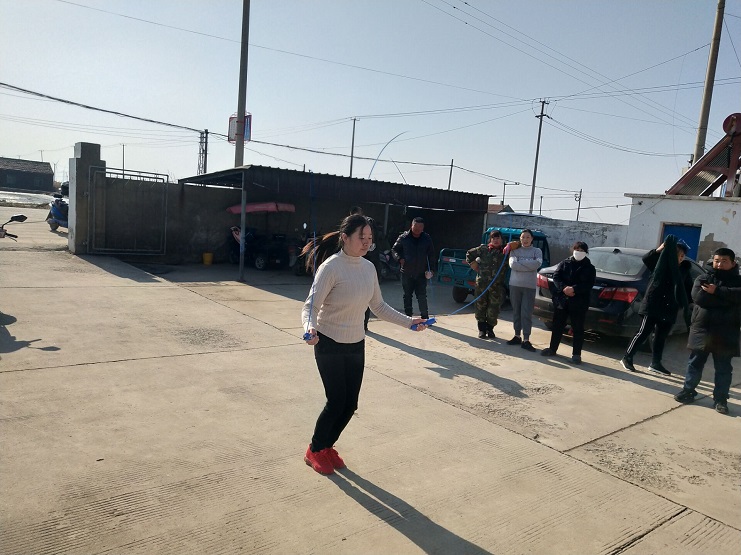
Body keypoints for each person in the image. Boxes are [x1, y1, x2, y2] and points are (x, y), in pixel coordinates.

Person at [301, 214, 429, 475]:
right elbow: (310, 306)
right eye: (362, 237)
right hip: (328, 341)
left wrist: (409, 322)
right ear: (345, 238)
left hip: (355, 343)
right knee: (336, 401)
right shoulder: (331, 268)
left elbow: (378, 306)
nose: (366, 242)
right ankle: (315, 449)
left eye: (369, 238)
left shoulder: (369, 268)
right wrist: (309, 328)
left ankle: (326, 446)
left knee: (350, 404)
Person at [674, 248, 741, 415]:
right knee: (695, 363)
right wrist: (728, 299)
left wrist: (716, 291)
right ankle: (688, 391)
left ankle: (720, 399)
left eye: (724, 261)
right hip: (702, 329)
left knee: (723, 368)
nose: (719, 264)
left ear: (733, 263)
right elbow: (700, 298)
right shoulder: (703, 278)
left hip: (726, 331)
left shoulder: (738, 281)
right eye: (717, 260)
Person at [620, 236, 692, 375]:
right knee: (643, 332)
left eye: (683, 256)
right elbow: (647, 258)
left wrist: (688, 302)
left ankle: (656, 363)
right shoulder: (660, 264)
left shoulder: (684, 270)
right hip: (653, 304)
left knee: (661, 337)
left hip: (670, 307)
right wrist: (661, 248)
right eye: (679, 255)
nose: (681, 258)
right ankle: (627, 357)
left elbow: (687, 288)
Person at [540, 242, 596, 364]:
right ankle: (552, 349)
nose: (578, 252)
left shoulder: (590, 268)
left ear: (586, 252)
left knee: (578, 328)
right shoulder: (565, 263)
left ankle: (576, 354)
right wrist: (564, 288)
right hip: (562, 300)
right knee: (557, 326)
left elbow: (588, 284)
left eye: (581, 250)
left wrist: (574, 289)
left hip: (579, 302)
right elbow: (556, 276)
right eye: (577, 249)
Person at [506, 229, 543, 352]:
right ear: (520, 239)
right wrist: (528, 264)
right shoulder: (514, 251)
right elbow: (513, 265)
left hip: (529, 286)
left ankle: (526, 339)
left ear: (532, 239)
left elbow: (537, 264)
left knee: (526, 313)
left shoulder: (537, 251)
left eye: (528, 237)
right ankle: (517, 335)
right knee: (516, 311)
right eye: (523, 237)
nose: (525, 239)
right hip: (514, 285)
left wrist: (521, 263)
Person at [392, 217, 436, 319]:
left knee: (422, 295)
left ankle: (425, 317)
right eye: (416, 227)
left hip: (421, 273)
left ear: (423, 228)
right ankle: (408, 317)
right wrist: (399, 258)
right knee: (407, 295)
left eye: (420, 227)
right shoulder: (404, 238)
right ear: (411, 226)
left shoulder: (426, 238)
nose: (418, 230)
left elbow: (431, 255)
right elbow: (394, 249)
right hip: (406, 271)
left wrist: (431, 270)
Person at [466, 230, 507, 338]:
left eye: (498, 238)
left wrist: (511, 245)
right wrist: (473, 264)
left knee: (494, 308)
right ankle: (482, 330)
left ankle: (490, 329)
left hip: (496, 286)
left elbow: (518, 245)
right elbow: (469, 253)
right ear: (490, 239)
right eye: (493, 238)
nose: (496, 240)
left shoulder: (505, 252)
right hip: (482, 284)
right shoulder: (484, 249)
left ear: (501, 240)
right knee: (480, 307)